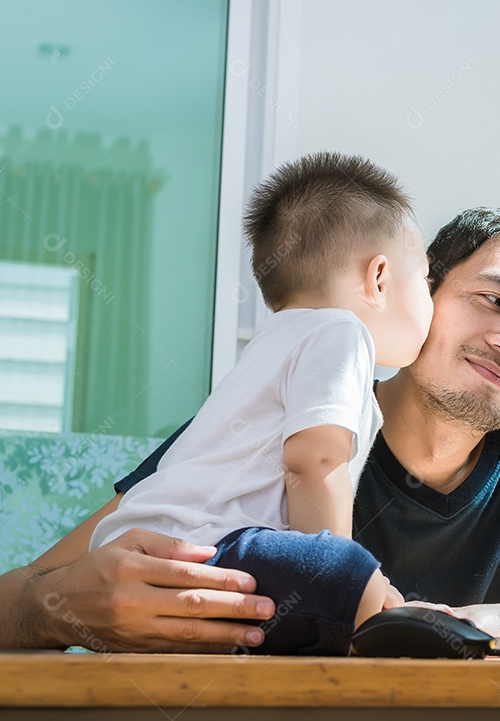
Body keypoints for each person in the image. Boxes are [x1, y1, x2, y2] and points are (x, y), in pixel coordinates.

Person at [0, 205, 500, 653]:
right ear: (420, 291)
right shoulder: (281, 416)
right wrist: (53, 609)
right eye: (494, 301)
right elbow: (12, 600)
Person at [88, 151, 436, 654]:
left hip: (139, 555)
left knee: (359, 588)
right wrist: (342, 580)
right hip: (197, 549)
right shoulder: (342, 333)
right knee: (354, 579)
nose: (430, 299)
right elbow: (314, 463)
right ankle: (427, 621)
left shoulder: (276, 340)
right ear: (379, 277)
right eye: (425, 279)